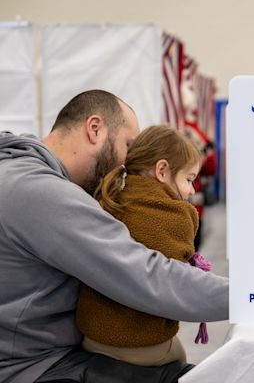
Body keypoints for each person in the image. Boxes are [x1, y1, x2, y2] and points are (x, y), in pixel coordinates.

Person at [0, 90, 229, 383]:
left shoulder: (16, 169)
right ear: (94, 129)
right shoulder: (40, 192)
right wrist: (251, 296)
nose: (127, 162)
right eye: (127, 145)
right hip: (34, 367)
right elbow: (148, 276)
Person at [75, 125, 209, 366]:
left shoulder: (109, 199)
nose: (190, 190)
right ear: (162, 170)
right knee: (181, 357)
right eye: (189, 179)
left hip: (92, 338)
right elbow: (178, 288)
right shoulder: (175, 215)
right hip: (139, 346)